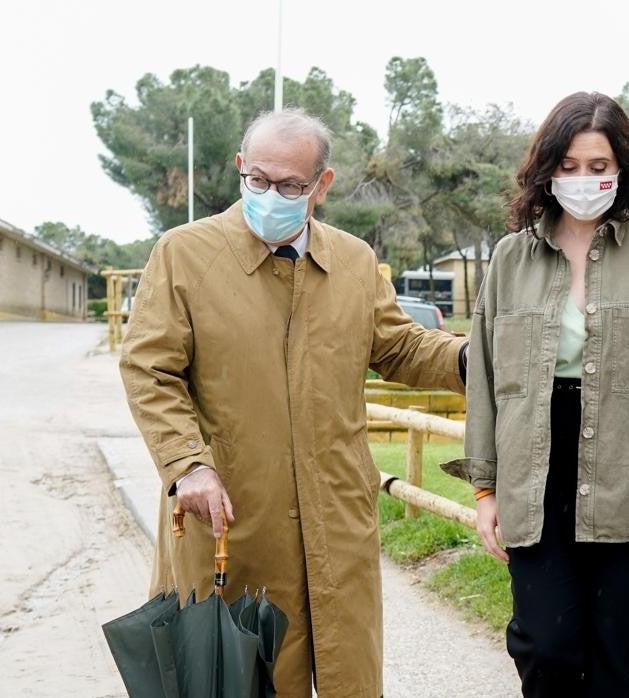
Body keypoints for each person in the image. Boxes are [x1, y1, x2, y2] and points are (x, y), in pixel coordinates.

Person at [120, 108, 468, 697]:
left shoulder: (355, 262)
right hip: (230, 517)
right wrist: (189, 466)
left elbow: (400, 346)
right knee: (234, 676)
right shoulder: (184, 255)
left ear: (322, 185)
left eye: (290, 186)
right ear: (239, 169)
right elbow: (148, 368)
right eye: (258, 180)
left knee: (345, 673)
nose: (270, 195)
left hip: (335, 516)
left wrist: (471, 359)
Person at [442, 92, 629, 698]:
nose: (582, 179)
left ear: (621, 169)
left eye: (598, 167)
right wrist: (486, 489)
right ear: (546, 170)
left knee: (624, 657)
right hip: (534, 477)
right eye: (568, 166)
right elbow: (487, 380)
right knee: (547, 647)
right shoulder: (510, 259)